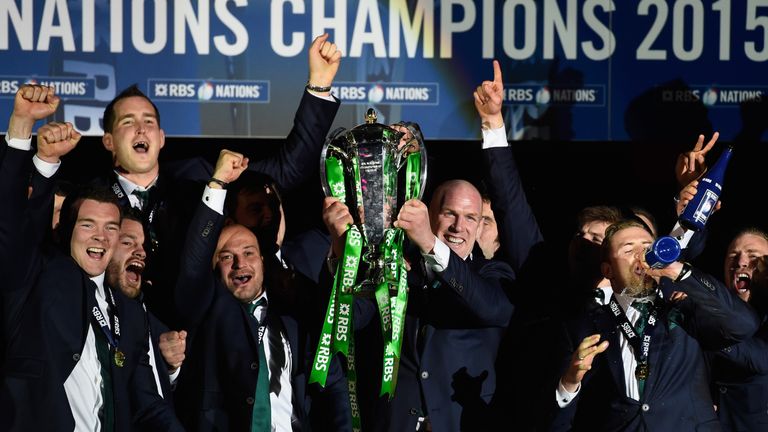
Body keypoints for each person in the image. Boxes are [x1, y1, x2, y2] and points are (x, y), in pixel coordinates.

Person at [93, 33, 342, 327]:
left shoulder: (203, 179)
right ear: (108, 141)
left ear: (161, 138)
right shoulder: (91, 200)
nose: (141, 130)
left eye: (149, 122)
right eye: (128, 122)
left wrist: (319, 85)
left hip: (192, 343)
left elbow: (288, 168)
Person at [0, 86, 182, 430]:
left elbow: (144, 402)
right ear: (67, 230)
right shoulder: (36, 279)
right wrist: (24, 127)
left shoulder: (129, 311)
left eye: (112, 228)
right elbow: (10, 223)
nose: (101, 236)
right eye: (88, 225)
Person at [173, 149, 351, 431]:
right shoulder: (206, 310)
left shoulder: (294, 315)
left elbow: (333, 384)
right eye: (226, 256)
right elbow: (193, 267)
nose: (239, 263)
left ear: (264, 263)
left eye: (248, 253)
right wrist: (217, 183)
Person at [324, 177, 516, 431]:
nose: (459, 227)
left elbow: (491, 308)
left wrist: (429, 243)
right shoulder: (396, 266)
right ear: (429, 213)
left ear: (480, 225)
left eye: (471, 217)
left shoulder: (492, 273)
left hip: (461, 423)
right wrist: (341, 249)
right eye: (450, 213)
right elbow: (348, 320)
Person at [552, 219, 758, 431]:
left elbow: (744, 324)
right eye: (628, 249)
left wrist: (679, 272)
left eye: (648, 247)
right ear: (608, 270)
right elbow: (558, 424)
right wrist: (569, 383)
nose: (642, 255)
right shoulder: (582, 326)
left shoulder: (683, 308)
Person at [105, 208, 186, 401]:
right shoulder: (85, 307)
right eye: (127, 242)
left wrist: (171, 367)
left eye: (142, 245)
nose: (141, 252)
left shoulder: (152, 317)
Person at [707, 227, 768, 430]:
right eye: (733, 255)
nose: (741, 262)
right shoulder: (708, 307)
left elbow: (759, 358)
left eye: (754, 256)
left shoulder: (702, 318)